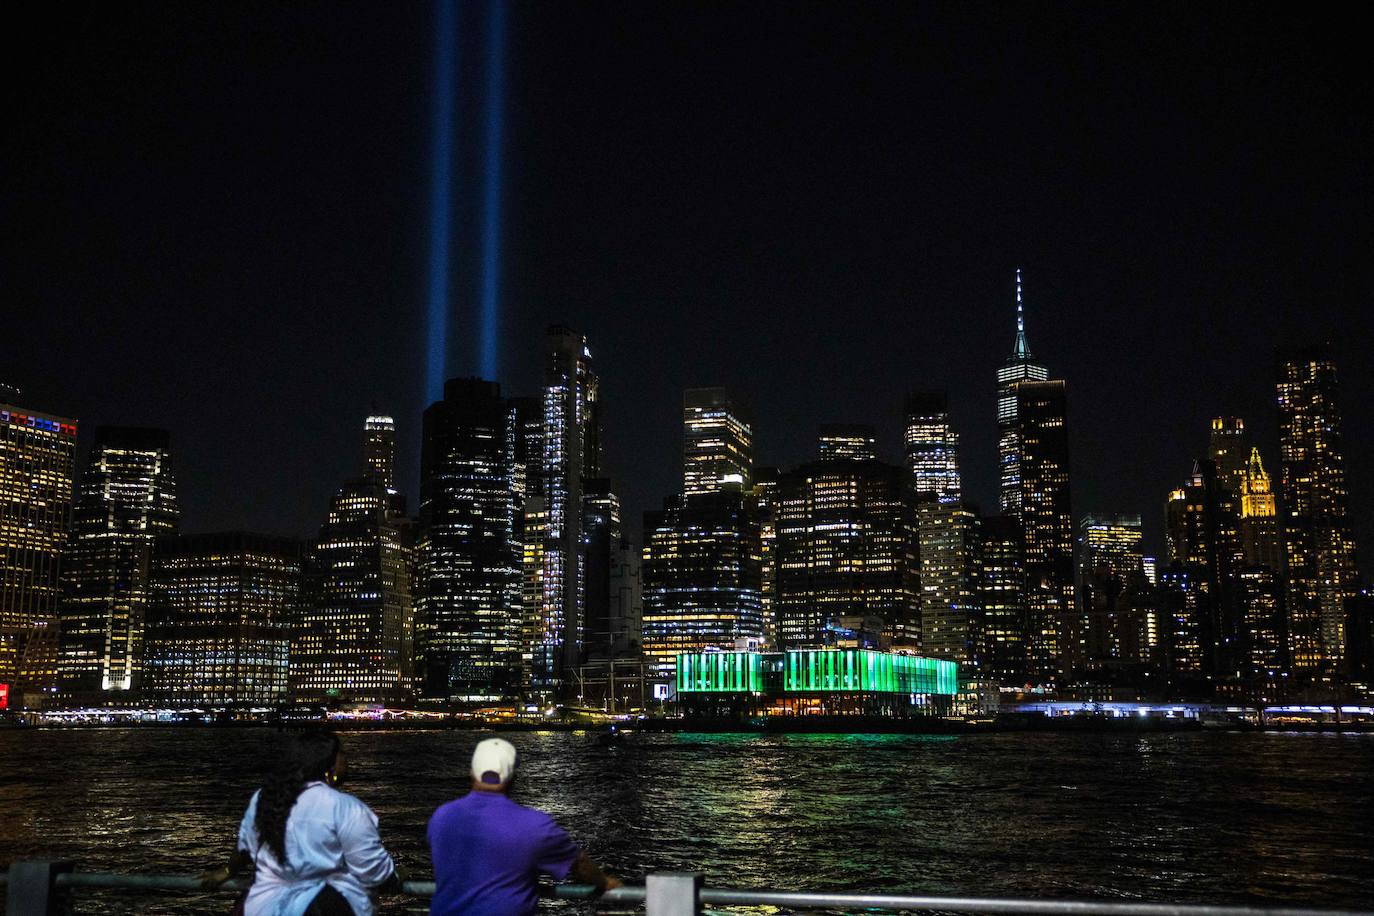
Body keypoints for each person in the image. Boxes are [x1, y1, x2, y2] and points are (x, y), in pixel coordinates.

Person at [201, 729, 402, 915]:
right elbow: (371, 868)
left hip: (263, 906)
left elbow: (246, 847)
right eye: (343, 753)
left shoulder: (264, 797)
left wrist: (228, 871)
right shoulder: (344, 807)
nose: (347, 759)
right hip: (323, 907)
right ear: (330, 763)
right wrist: (395, 876)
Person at [428, 737, 621, 916]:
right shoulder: (535, 825)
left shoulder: (441, 817)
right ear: (513, 778)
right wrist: (605, 882)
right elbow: (580, 865)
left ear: (471, 772)